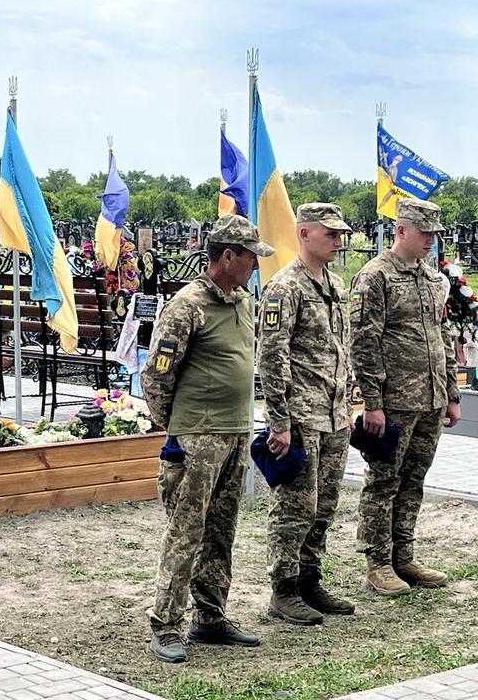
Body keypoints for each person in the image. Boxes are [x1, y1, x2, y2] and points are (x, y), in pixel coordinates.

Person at [140, 214, 274, 663]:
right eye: (252, 256)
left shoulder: (240, 301)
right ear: (228, 256)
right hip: (197, 438)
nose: (257, 264)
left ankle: (210, 617)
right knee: (186, 534)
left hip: (235, 433)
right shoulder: (187, 305)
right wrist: (175, 430)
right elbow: (157, 374)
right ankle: (166, 624)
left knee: (221, 532)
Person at [351, 196, 461, 597]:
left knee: (414, 479)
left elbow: (442, 338)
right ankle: (378, 561)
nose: (431, 240)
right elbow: (364, 342)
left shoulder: (432, 280)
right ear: (401, 230)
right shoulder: (375, 277)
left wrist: (451, 393)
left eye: (435, 233)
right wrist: (372, 403)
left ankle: (404, 554)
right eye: (425, 233)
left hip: (430, 400)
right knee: (383, 481)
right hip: (394, 403)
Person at [257, 203, 356, 626]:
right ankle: (283, 588)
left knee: (325, 504)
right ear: (304, 234)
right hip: (300, 416)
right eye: (330, 234)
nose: (338, 241)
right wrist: (278, 421)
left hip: (334, 414)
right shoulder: (285, 287)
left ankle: (310, 579)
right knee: (296, 506)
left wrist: (350, 402)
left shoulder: (333, 283)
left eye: (340, 235)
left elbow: (341, 347)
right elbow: (271, 355)